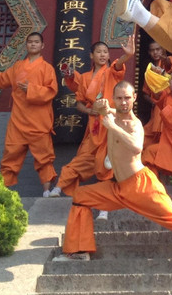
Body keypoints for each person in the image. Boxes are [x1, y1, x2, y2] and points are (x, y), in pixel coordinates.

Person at [56, 81, 172, 274]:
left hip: (142, 186)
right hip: (118, 188)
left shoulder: (134, 124)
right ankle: (79, 251)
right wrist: (101, 105)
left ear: (134, 99)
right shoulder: (112, 114)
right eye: (120, 98)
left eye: (127, 98)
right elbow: (99, 108)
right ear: (114, 99)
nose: (124, 102)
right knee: (81, 196)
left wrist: (113, 127)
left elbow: (137, 147)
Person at [55, 37, 133, 217]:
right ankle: (59, 186)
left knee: (106, 164)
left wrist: (126, 56)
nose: (103, 55)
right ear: (91, 55)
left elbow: (118, 64)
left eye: (105, 52)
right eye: (99, 52)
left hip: (111, 123)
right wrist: (90, 112)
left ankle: (104, 209)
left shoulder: (112, 72)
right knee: (82, 158)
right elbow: (80, 103)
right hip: (94, 125)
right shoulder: (84, 77)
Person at [0, 31, 60, 196]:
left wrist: (32, 89)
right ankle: (2, 191)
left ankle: (46, 190)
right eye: (30, 42)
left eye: (36, 42)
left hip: (39, 122)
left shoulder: (47, 68)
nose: (33, 44)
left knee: (44, 158)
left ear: (42, 46)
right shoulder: (17, 67)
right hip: (18, 121)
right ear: (26, 45)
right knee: (10, 159)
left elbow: (51, 91)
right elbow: (0, 80)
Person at [142, 41, 172, 153]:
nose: (155, 52)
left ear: (163, 50)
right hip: (156, 107)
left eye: (158, 49)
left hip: (168, 105)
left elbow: (169, 64)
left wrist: (164, 57)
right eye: (152, 50)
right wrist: (153, 102)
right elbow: (145, 93)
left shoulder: (168, 61)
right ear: (149, 52)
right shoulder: (149, 70)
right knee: (146, 138)